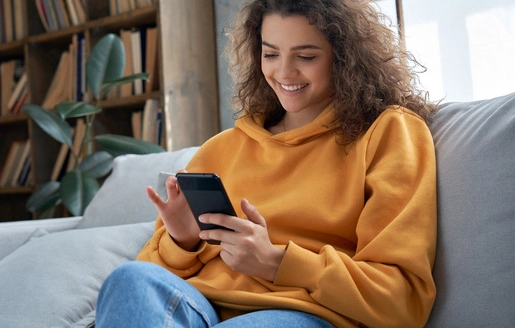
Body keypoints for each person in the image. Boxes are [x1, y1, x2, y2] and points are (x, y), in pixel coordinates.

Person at [95, 0, 438, 327]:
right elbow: (149, 288)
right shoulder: (223, 147)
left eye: (306, 56)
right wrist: (183, 242)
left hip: (299, 312)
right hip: (198, 305)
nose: (284, 72)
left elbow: (402, 299)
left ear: (344, 58)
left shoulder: (388, 132)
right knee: (129, 279)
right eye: (271, 53)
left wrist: (276, 262)